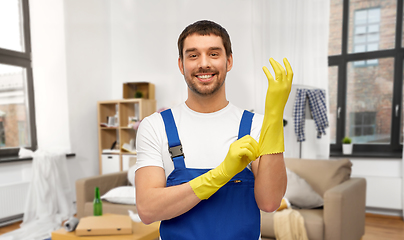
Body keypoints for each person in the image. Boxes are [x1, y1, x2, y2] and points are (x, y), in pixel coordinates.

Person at [134, 20, 293, 240]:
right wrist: (221, 174)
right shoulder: (155, 126)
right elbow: (147, 210)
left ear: (229, 61)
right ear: (181, 65)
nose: (203, 63)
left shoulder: (255, 126)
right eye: (193, 55)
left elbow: (270, 202)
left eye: (214, 54)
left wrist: (273, 118)